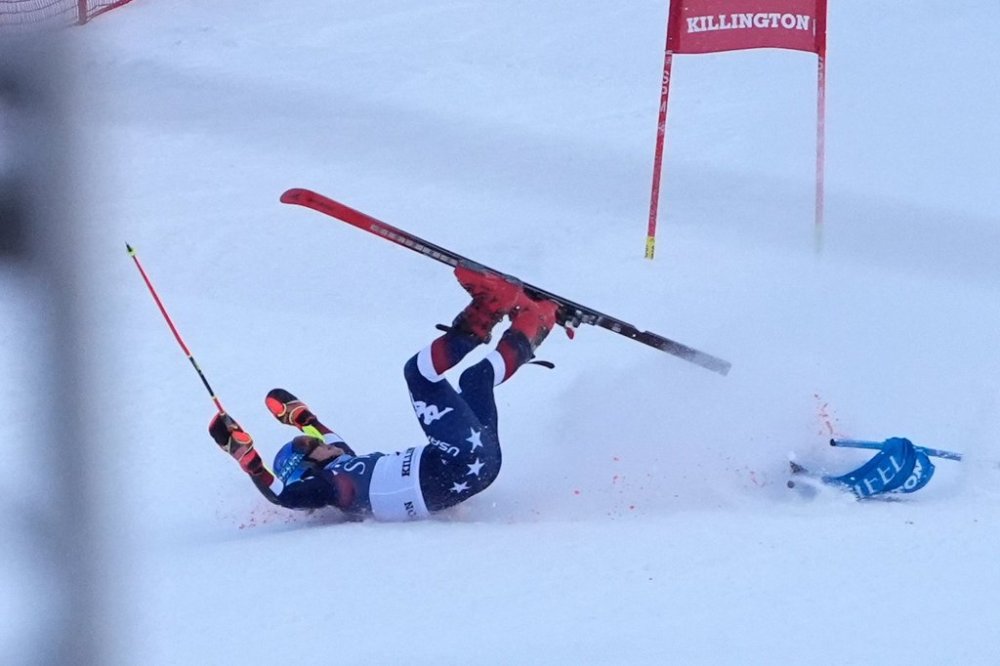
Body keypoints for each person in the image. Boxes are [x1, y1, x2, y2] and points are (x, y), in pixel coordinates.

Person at [208, 263, 560, 521]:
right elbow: (281, 495)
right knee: (418, 374)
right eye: (311, 446)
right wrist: (245, 455)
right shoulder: (333, 489)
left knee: (475, 381)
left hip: (479, 465)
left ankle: (534, 324)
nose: (319, 440)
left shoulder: (343, 461)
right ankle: (487, 307)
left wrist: (299, 418)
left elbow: (321, 429)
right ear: (306, 469)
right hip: (458, 462)